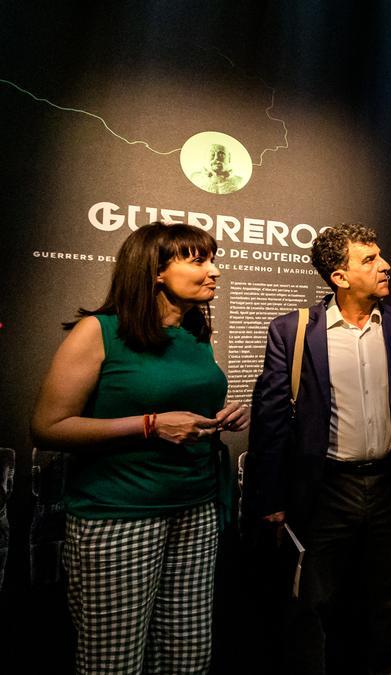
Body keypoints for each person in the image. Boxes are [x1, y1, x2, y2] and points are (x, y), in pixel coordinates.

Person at [30, 222, 249, 673]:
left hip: (196, 512)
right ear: (155, 270)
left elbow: (180, 406)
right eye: (199, 259)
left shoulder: (195, 335)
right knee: (113, 662)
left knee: (187, 657)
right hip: (118, 518)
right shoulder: (99, 331)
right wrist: (149, 425)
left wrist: (223, 414)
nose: (215, 271)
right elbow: (48, 427)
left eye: (213, 259)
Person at [243, 223, 391, 675]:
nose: (385, 265)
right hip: (324, 490)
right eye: (369, 260)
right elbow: (271, 422)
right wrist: (270, 499)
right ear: (339, 277)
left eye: (380, 256)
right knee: (312, 600)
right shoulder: (294, 331)